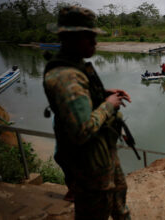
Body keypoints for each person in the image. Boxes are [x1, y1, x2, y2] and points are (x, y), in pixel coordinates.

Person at [43, 6, 131, 220]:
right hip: (89, 169)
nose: (95, 42)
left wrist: (102, 93)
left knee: (120, 203)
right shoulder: (66, 78)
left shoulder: (75, 67)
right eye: (88, 36)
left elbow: (83, 97)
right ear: (69, 38)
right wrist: (109, 104)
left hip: (103, 155)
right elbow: (81, 131)